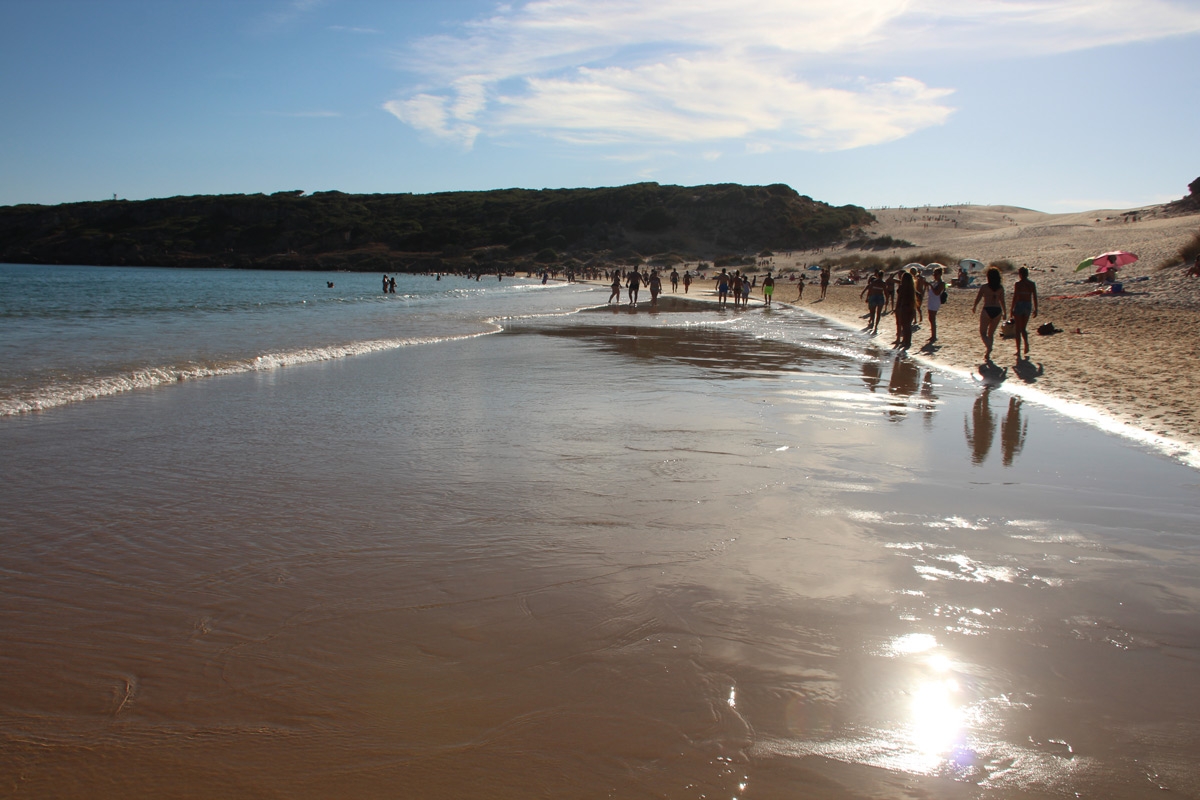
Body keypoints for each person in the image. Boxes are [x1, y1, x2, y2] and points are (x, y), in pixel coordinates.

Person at [972, 267, 1007, 360]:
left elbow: (978, 298)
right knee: (991, 333)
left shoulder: (985, 287)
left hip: (987, 309)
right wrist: (1005, 312)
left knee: (983, 333)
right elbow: (1002, 301)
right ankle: (988, 354)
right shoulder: (1000, 288)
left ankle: (989, 347)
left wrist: (974, 306)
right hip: (998, 310)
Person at [1010, 266, 1039, 357]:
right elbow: (1034, 297)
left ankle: (1018, 350)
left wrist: (1012, 308)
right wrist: (1036, 308)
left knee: (1018, 329)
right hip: (1027, 305)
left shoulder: (1018, 284)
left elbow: (1015, 297)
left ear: (1021, 274)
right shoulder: (1031, 284)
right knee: (1023, 328)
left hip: (1020, 305)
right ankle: (1026, 344)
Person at [894, 271, 917, 349]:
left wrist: (897, 308)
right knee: (908, 326)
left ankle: (905, 341)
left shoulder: (902, 287)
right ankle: (908, 342)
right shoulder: (912, 287)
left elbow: (900, 298)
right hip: (911, 307)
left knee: (904, 325)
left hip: (904, 307)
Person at [925, 266, 946, 344]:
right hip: (931, 301)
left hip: (935, 302)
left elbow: (937, 293)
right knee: (930, 318)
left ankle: (934, 336)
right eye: (934, 274)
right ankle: (932, 335)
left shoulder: (942, 283)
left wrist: (930, 285)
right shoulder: (935, 282)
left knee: (932, 318)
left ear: (940, 274)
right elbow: (930, 292)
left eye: (936, 274)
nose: (934, 275)